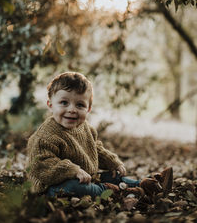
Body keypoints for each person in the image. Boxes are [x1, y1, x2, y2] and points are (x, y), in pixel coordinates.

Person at [27, 72, 173, 199]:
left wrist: (112, 162)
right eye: (64, 103)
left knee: (113, 175)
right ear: (50, 104)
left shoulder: (86, 129)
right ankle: (114, 192)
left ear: (88, 108)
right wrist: (73, 170)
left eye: (80, 105)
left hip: (87, 177)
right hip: (51, 186)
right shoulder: (45, 136)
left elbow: (95, 149)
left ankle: (146, 185)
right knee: (75, 187)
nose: (72, 110)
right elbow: (41, 165)